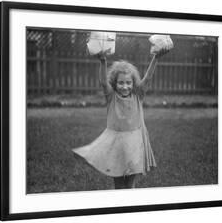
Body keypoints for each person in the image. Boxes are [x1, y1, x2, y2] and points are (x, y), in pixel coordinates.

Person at [72, 47, 170, 189]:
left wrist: (156, 58)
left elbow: (148, 77)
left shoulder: (138, 95)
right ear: (115, 83)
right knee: (118, 185)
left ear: (133, 83)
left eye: (128, 83)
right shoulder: (111, 97)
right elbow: (103, 82)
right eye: (121, 83)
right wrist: (103, 61)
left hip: (134, 145)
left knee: (130, 185)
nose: (125, 87)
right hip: (116, 146)